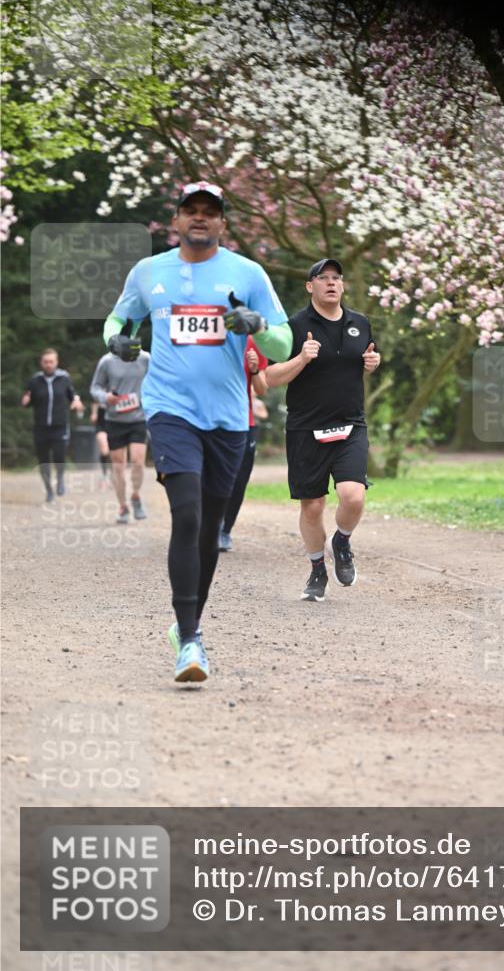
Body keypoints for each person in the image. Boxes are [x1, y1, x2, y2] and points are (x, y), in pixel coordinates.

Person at [103, 181, 292, 682]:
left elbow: (283, 340)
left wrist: (255, 325)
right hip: (170, 410)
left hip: (228, 417)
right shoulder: (149, 271)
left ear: (222, 223)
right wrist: (117, 340)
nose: (200, 217)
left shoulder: (247, 273)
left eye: (210, 211)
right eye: (192, 210)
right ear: (177, 220)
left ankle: (187, 625)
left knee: (209, 527)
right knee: (186, 514)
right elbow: (118, 320)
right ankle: (190, 640)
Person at [265, 258, 381, 601]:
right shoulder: (294, 327)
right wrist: (302, 358)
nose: (331, 283)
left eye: (336, 278)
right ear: (309, 286)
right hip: (306, 428)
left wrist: (373, 363)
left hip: (351, 424)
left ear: (342, 285)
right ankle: (317, 570)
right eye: (323, 277)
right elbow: (270, 377)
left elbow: (366, 359)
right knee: (312, 507)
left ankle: (341, 541)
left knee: (353, 496)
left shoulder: (360, 323)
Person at [218, 336, 268, 552]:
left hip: (242, 422)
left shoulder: (252, 342)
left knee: (238, 481)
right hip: (207, 421)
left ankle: (224, 530)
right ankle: (207, 525)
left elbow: (262, 389)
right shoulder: (204, 335)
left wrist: (255, 370)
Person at [90, 346, 151, 523]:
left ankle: (136, 496)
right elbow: (95, 387)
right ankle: (123, 506)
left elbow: (160, 378)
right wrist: (105, 397)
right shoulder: (107, 361)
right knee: (118, 466)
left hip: (138, 418)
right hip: (115, 420)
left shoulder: (146, 358)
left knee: (138, 461)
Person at [21, 348, 83, 501]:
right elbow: (28, 401)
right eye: (46, 362)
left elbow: (73, 395)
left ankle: (60, 479)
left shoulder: (64, 378)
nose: (48, 365)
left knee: (59, 456)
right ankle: (49, 490)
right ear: (41, 363)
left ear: (56, 362)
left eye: (51, 362)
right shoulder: (35, 381)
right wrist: (25, 401)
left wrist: (76, 402)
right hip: (41, 427)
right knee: (43, 461)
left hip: (59, 426)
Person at [90, 401, 111, 487]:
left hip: (115, 425)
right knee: (105, 450)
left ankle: (114, 475)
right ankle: (104, 475)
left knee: (114, 452)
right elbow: (95, 400)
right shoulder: (100, 392)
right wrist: (94, 413)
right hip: (101, 425)